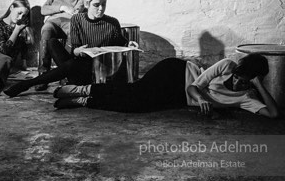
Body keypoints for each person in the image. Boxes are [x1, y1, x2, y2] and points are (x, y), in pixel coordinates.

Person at [3, 0, 137, 97]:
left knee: (71, 66)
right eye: (96, 5)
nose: (101, 8)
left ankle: (26, 84)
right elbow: (75, 50)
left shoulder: (112, 22)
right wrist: (79, 51)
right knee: (52, 43)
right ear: (87, 3)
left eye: (103, 4)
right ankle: (70, 82)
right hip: (79, 63)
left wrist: (128, 43)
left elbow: (120, 41)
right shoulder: (77, 19)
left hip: (95, 72)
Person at [52, 54, 279, 119]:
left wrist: (258, 83)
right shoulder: (227, 65)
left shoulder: (245, 97)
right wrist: (201, 99)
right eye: (239, 76)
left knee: (135, 107)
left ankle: (84, 101)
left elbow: (273, 113)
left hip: (176, 97)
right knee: (134, 93)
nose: (237, 81)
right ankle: (82, 90)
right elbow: (194, 87)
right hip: (177, 73)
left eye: (244, 80)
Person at [36, 0, 85, 91]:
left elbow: (76, 13)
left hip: (69, 22)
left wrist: (72, 10)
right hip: (53, 22)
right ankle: (43, 74)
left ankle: (65, 74)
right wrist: (62, 7)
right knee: (46, 30)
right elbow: (43, 10)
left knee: (73, 31)